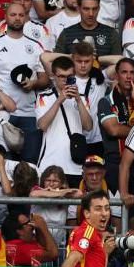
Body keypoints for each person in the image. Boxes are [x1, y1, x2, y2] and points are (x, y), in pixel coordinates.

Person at [0, 2, 49, 164]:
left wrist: (33, 83)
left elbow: (45, 80)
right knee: (4, 164)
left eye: (21, 15)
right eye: (13, 15)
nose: (17, 18)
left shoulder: (36, 46)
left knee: (30, 165)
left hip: (30, 114)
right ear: (5, 17)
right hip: (2, 114)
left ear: (26, 17)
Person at [36, 56, 93, 187]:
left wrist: (78, 100)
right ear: (53, 76)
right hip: (50, 164)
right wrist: (60, 99)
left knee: (74, 206)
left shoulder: (82, 98)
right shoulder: (43, 96)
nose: (65, 80)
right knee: (50, 207)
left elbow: (88, 126)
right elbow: (42, 126)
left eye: (69, 76)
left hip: (76, 166)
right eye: (61, 76)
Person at [98, 58, 134, 192]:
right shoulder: (106, 101)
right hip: (115, 164)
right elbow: (114, 130)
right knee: (118, 211)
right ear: (117, 75)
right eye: (124, 72)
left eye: (132, 73)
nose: (129, 76)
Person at [54, 0, 121, 57]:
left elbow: (118, 63)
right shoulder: (66, 34)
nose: (91, 14)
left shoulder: (111, 34)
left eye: (94, 9)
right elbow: (57, 63)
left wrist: (96, 60)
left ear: (99, 9)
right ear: (79, 8)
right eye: (86, 9)